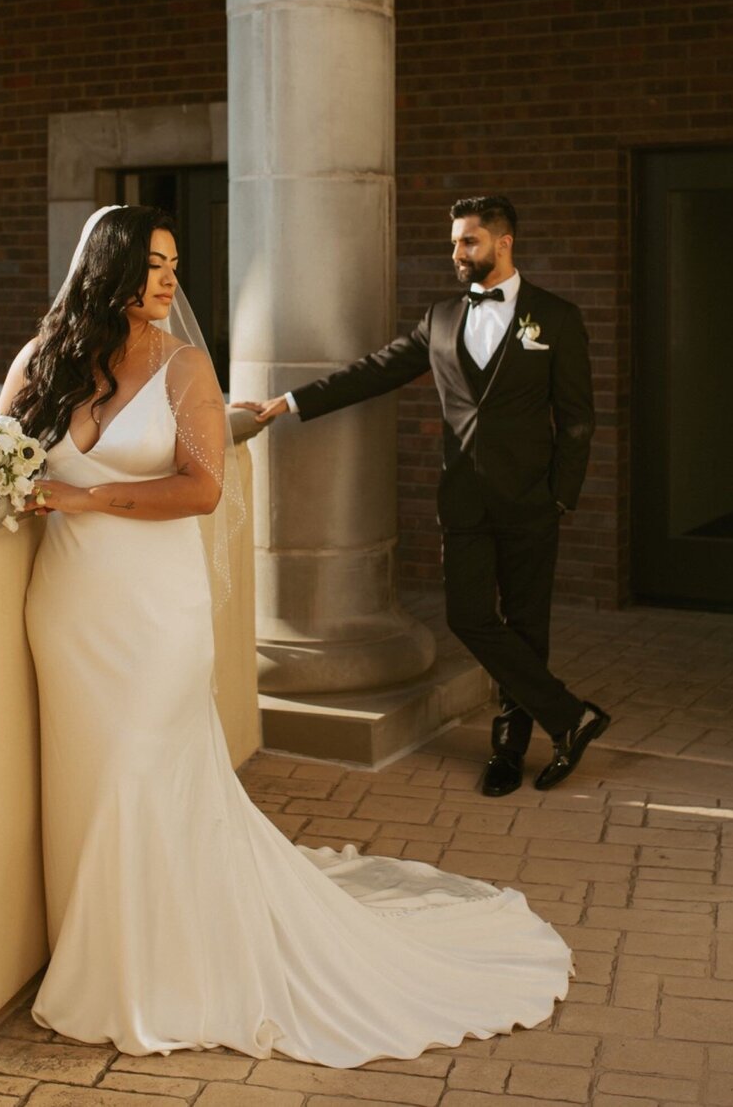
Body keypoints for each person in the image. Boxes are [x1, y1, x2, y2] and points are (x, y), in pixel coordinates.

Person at [0, 203, 570, 1066]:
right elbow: (0, 452)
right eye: (154, 264)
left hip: (155, 612)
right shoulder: (43, 362)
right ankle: (100, 941)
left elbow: (199, 490)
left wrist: (86, 496)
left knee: (140, 773)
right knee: (86, 778)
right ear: (109, 268)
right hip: (67, 607)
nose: (168, 281)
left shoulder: (184, 366)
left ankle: (147, 969)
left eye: (173, 265)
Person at [243, 196, 609, 799]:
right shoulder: (440, 319)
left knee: (526, 627)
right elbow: (375, 369)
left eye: (469, 242)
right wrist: (291, 401)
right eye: (454, 244)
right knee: (468, 617)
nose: (458, 255)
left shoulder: (557, 318)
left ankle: (509, 749)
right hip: (463, 499)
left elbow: (578, 419)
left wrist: (560, 498)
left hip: (532, 502)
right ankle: (571, 717)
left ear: (503, 242)